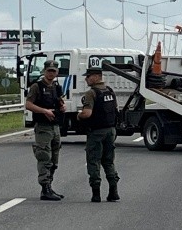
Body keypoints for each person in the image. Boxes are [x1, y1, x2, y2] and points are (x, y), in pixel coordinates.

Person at [76, 66, 120, 203]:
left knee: (94, 161)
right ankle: (113, 191)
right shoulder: (110, 91)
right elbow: (116, 109)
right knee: (108, 161)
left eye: (88, 76)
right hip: (110, 130)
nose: (86, 79)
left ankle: (96, 194)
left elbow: (87, 113)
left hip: (96, 132)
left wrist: (79, 116)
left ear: (96, 77)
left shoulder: (91, 93)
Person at [25, 59, 66, 201]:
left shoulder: (56, 86)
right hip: (43, 126)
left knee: (54, 159)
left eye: (54, 71)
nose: (51, 73)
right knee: (44, 157)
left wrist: (62, 107)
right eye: (49, 71)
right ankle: (45, 188)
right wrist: (44, 111)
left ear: (57, 72)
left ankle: (50, 186)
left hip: (55, 126)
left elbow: (60, 101)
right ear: (44, 71)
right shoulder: (37, 86)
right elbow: (28, 105)